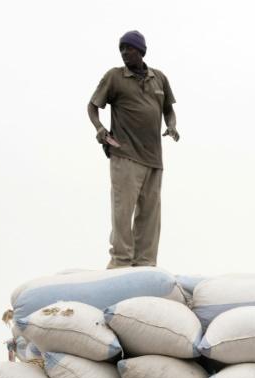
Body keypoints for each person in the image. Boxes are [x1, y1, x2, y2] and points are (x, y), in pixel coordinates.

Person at [87, 30, 179, 269]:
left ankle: (145, 263)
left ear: (142, 51)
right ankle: (121, 261)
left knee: (150, 214)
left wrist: (172, 126)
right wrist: (99, 128)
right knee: (123, 210)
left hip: (154, 158)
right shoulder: (115, 77)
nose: (125, 52)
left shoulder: (159, 78)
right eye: (122, 49)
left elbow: (168, 108)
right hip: (125, 154)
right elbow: (92, 105)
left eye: (130, 48)